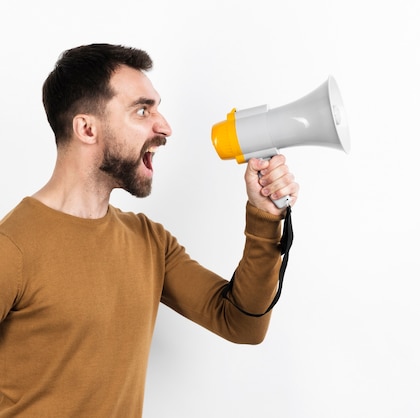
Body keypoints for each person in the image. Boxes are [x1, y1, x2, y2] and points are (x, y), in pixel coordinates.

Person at [0, 43, 299, 417]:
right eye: (143, 109)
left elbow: (241, 323)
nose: (165, 126)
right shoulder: (10, 248)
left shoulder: (149, 241)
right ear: (87, 128)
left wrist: (264, 217)